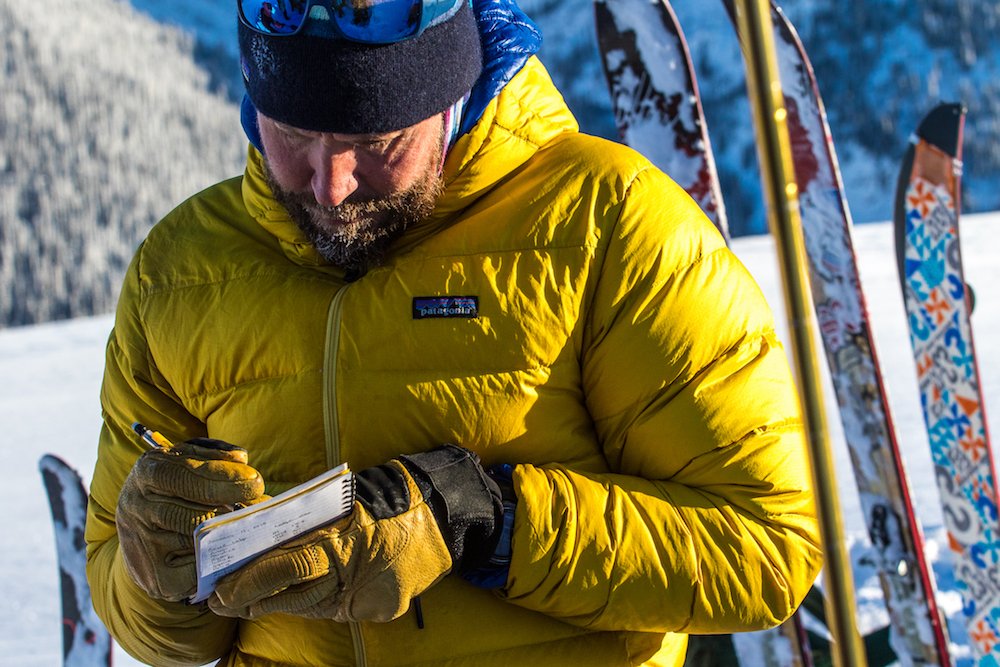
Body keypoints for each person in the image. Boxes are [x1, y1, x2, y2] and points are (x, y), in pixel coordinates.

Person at [85, 0, 823, 664]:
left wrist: (481, 518)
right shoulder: (181, 273)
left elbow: (765, 549)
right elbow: (142, 624)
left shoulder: (610, 228)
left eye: (378, 140)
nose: (330, 183)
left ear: (451, 101)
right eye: (292, 134)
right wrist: (157, 570)